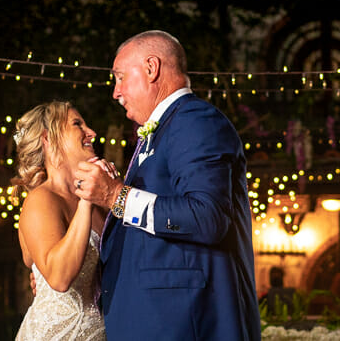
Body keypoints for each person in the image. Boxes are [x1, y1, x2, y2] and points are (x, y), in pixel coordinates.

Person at [74, 30, 261, 341]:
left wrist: (115, 196)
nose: (116, 92)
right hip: (156, 321)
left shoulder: (196, 120)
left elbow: (208, 217)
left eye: (120, 77)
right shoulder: (163, 130)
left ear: (151, 68)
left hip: (184, 324)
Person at [12, 100, 114, 341]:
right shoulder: (41, 200)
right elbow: (58, 278)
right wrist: (85, 201)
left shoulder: (100, 203)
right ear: (49, 139)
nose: (92, 133)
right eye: (77, 124)